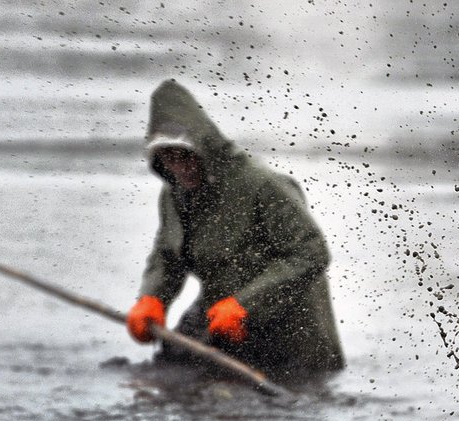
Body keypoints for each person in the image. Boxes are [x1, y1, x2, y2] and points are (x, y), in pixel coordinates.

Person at [125, 79, 345, 377]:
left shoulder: (261, 184)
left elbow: (311, 252)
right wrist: (152, 297)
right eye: (169, 157)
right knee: (171, 371)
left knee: (277, 400)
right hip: (224, 316)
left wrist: (245, 305)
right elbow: (168, 255)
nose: (180, 167)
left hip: (290, 331)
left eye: (186, 155)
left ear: (203, 147)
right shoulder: (174, 193)